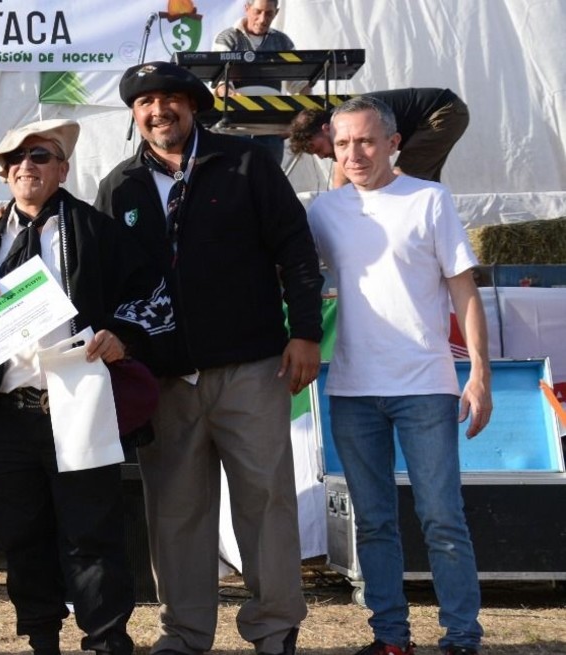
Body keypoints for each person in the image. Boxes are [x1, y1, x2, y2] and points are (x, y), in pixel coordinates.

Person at [95, 61, 324, 655]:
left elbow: (297, 249)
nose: (158, 110)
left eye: (170, 99)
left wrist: (304, 332)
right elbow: (101, 276)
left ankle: (274, 631)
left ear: (193, 106)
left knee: (265, 502)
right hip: (164, 379)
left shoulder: (247, 162)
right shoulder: (118, 186)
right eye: (145, 102)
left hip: (250, 367)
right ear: (134, 114)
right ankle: (184, 634)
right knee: (174, 513)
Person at [0, 119, 164, 655]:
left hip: (78, 401)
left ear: (62, 168)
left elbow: (151, 299)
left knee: (93, 535)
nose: (26, 167)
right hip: (10, 415)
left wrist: (121, 337)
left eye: (40, 156)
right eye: (15, 160)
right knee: (21, 536)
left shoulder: (102, 234)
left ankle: (107, 641)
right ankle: (41, 640)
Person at [306, 95, 490, 655]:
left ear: (393, 143)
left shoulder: (430, 199)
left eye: (364, 141)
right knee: (375, 523)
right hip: (353, 390)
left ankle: (461, 635)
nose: (354, 153)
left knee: (441, 518)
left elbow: (464, 289)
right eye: (342, 144)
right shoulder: (321, 210)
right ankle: (391, 638)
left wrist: (478, 372)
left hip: (426, 387)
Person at [288, 88, 470, 187]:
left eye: (318, 149)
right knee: (422, 183)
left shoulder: (346, 120)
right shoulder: (340, 123)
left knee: (401, 180)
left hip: (442, 111)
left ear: (326, 128)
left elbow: (343, 174)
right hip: (443, 111)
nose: (321, 156)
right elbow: (341, 176)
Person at [211, 0, 302, 165]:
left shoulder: (283, 42)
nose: (262, 19)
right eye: (258, 12)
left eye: (269, 13)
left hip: (272, 129)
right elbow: (220, 83)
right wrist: (232, 95)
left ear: (277, 13)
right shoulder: (227, 38)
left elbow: (300, 85)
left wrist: (297, 122)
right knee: (235, 182)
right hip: (236, 128)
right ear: (247, 8)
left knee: (268, 185)